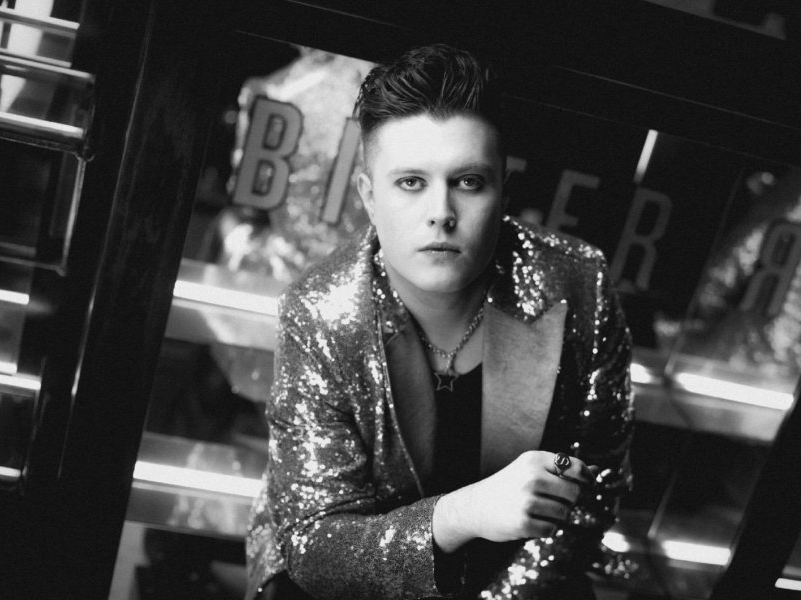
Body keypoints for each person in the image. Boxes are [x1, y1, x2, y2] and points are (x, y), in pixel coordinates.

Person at [246, 43, 634, 600]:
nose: (441, 214)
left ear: (504, 192)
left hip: (515, 574)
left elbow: (594, 482)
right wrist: (459, 515)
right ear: (369, 197)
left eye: (469, 182)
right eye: (411, 182)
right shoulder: (319, 312)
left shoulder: (577, 285)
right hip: (356, 574)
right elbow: (318, 544)